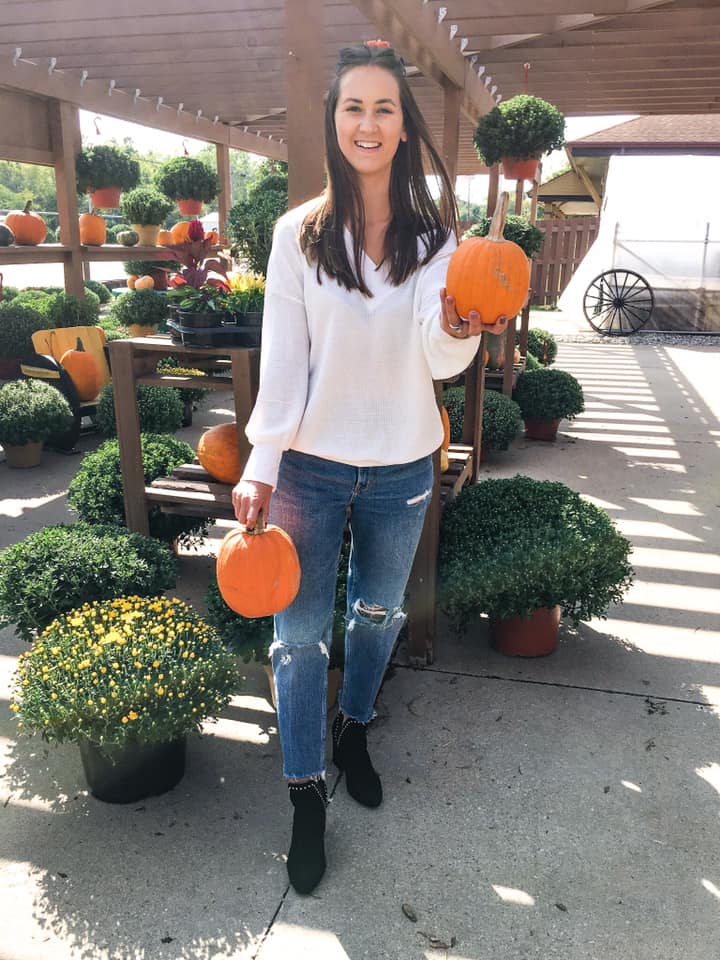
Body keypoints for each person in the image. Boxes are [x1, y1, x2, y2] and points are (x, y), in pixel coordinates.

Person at [231, 40, 508, 894]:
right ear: (333, 121)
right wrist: (261, 461)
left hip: (401, 462)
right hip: (310, 465)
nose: (369, 122)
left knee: (379, 613)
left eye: (385, 107)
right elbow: (284, 360)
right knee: (298, 636)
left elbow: (436, 354)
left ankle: (356, 728)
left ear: (403, 124)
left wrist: (460, 327)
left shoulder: (437, 237)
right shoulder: (297, 235)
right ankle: (305, 792)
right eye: (354, 106)